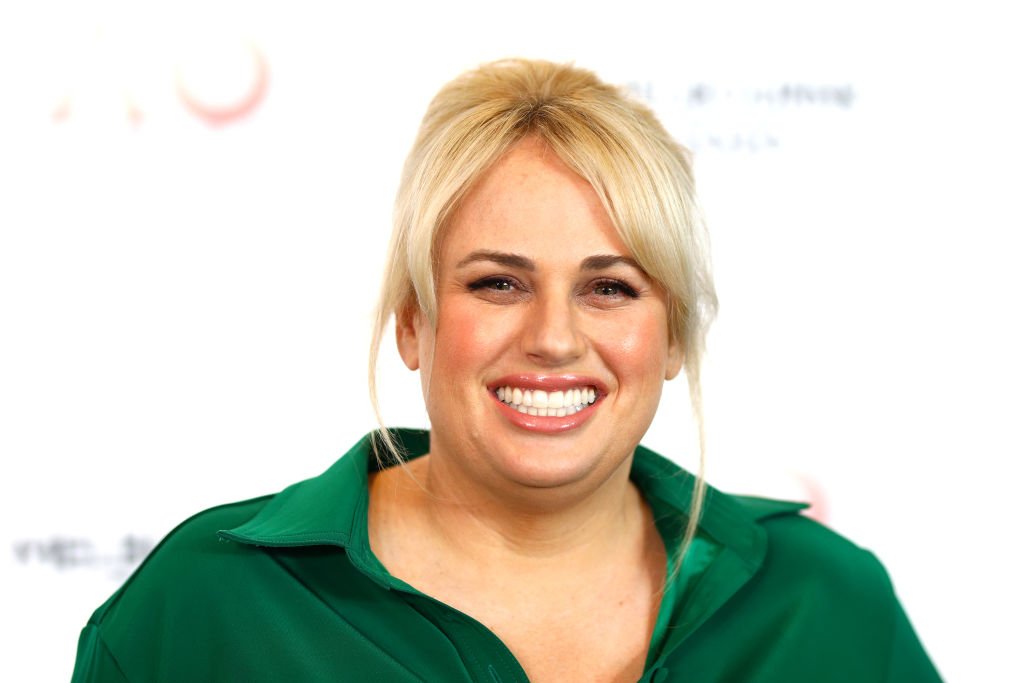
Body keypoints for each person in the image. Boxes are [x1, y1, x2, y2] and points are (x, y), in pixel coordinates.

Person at [71, 59, 941, 682]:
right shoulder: (206, 605)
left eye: (609, 286)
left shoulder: (825, 601)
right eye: (499, 282)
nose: (555, 337)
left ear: (671, 335)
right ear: (413, 320)